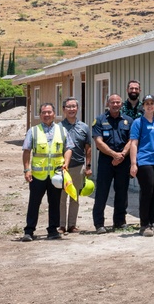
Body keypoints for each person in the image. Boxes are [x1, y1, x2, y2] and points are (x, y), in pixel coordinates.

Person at [21, 103, 70, 241]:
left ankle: (53, 230)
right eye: (44, 112)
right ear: (40, 115)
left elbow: (68, 148)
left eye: (49, 112)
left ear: (54, 114)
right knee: (34, 203)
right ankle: (29, 231)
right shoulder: (33, 131)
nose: (47, 115)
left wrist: (66, 162)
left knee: (54, 203)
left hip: (56, 175)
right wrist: (26, 170)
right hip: (37, 176)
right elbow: (26, 151)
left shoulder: (62, 131)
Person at [91, 93, 132, 233]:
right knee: (102, 192)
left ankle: (120, 222)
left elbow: (131, 140)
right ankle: (99, 224)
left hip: (123, 159)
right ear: (107, 104)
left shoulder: (128, 120)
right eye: (112, 102)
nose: (115, 105)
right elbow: (98, 141)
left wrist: (121, 155)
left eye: (118, 102)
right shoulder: (99, 120)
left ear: (121, 104)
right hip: (106, 160)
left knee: (122, 192)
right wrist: (114, 155)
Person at [129, 95, 154, 237]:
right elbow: (133, 143)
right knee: (147, 191)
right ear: (143, 106)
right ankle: (144, 224)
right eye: (147, 104)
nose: (149, 106)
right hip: (144, 161)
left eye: (152, 103)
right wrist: (133, 163)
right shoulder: (138, 123)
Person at [58, 97, 92, 234]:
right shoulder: (58, 128)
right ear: (64, 109)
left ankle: (72, 225)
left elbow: (88, 148)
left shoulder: (84, 127)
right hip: (62, 168)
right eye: (68, 107)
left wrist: (88, 166)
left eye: (74, 106)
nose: (71, 109)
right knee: (61, 198)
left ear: (77, 108)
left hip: (78, 166)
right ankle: (61, 225)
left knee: (74, 197)